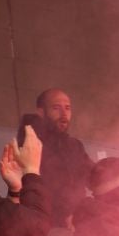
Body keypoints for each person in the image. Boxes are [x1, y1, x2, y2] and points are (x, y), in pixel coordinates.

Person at [26, 89, 91, 223]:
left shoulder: (75, 146)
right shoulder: (31, 144)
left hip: (76, 225)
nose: (64, 114)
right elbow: (36, 190)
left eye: (67, 108)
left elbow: (93, 174)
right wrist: (65, 216)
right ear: (41, 112)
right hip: (45, 228)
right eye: (56, 108)